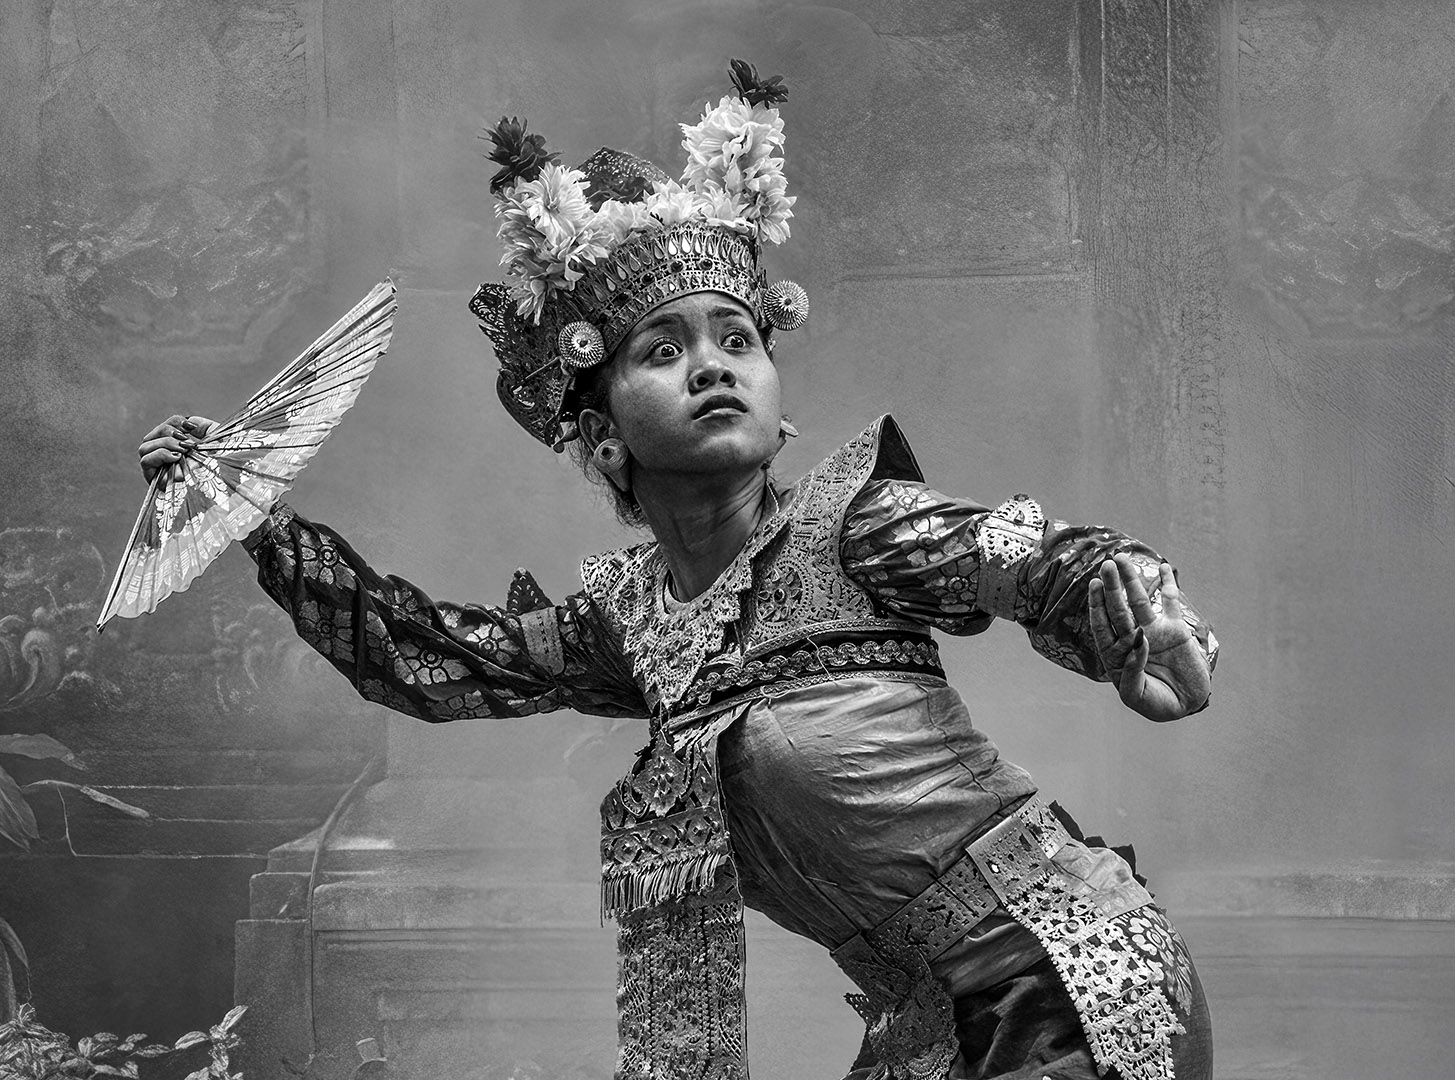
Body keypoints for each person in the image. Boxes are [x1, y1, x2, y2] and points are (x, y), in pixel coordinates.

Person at [138, 60, 1217, 1080]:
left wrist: (1135, 616)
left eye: (737, 340)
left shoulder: (856, 527)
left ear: (777, 401)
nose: (712, 366)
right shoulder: (631, 621)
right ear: (602, 435)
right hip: (928, 1020)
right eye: (663, 351)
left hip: (1064, 969)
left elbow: (1034, 558)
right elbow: (429, 660)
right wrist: (253, 515)